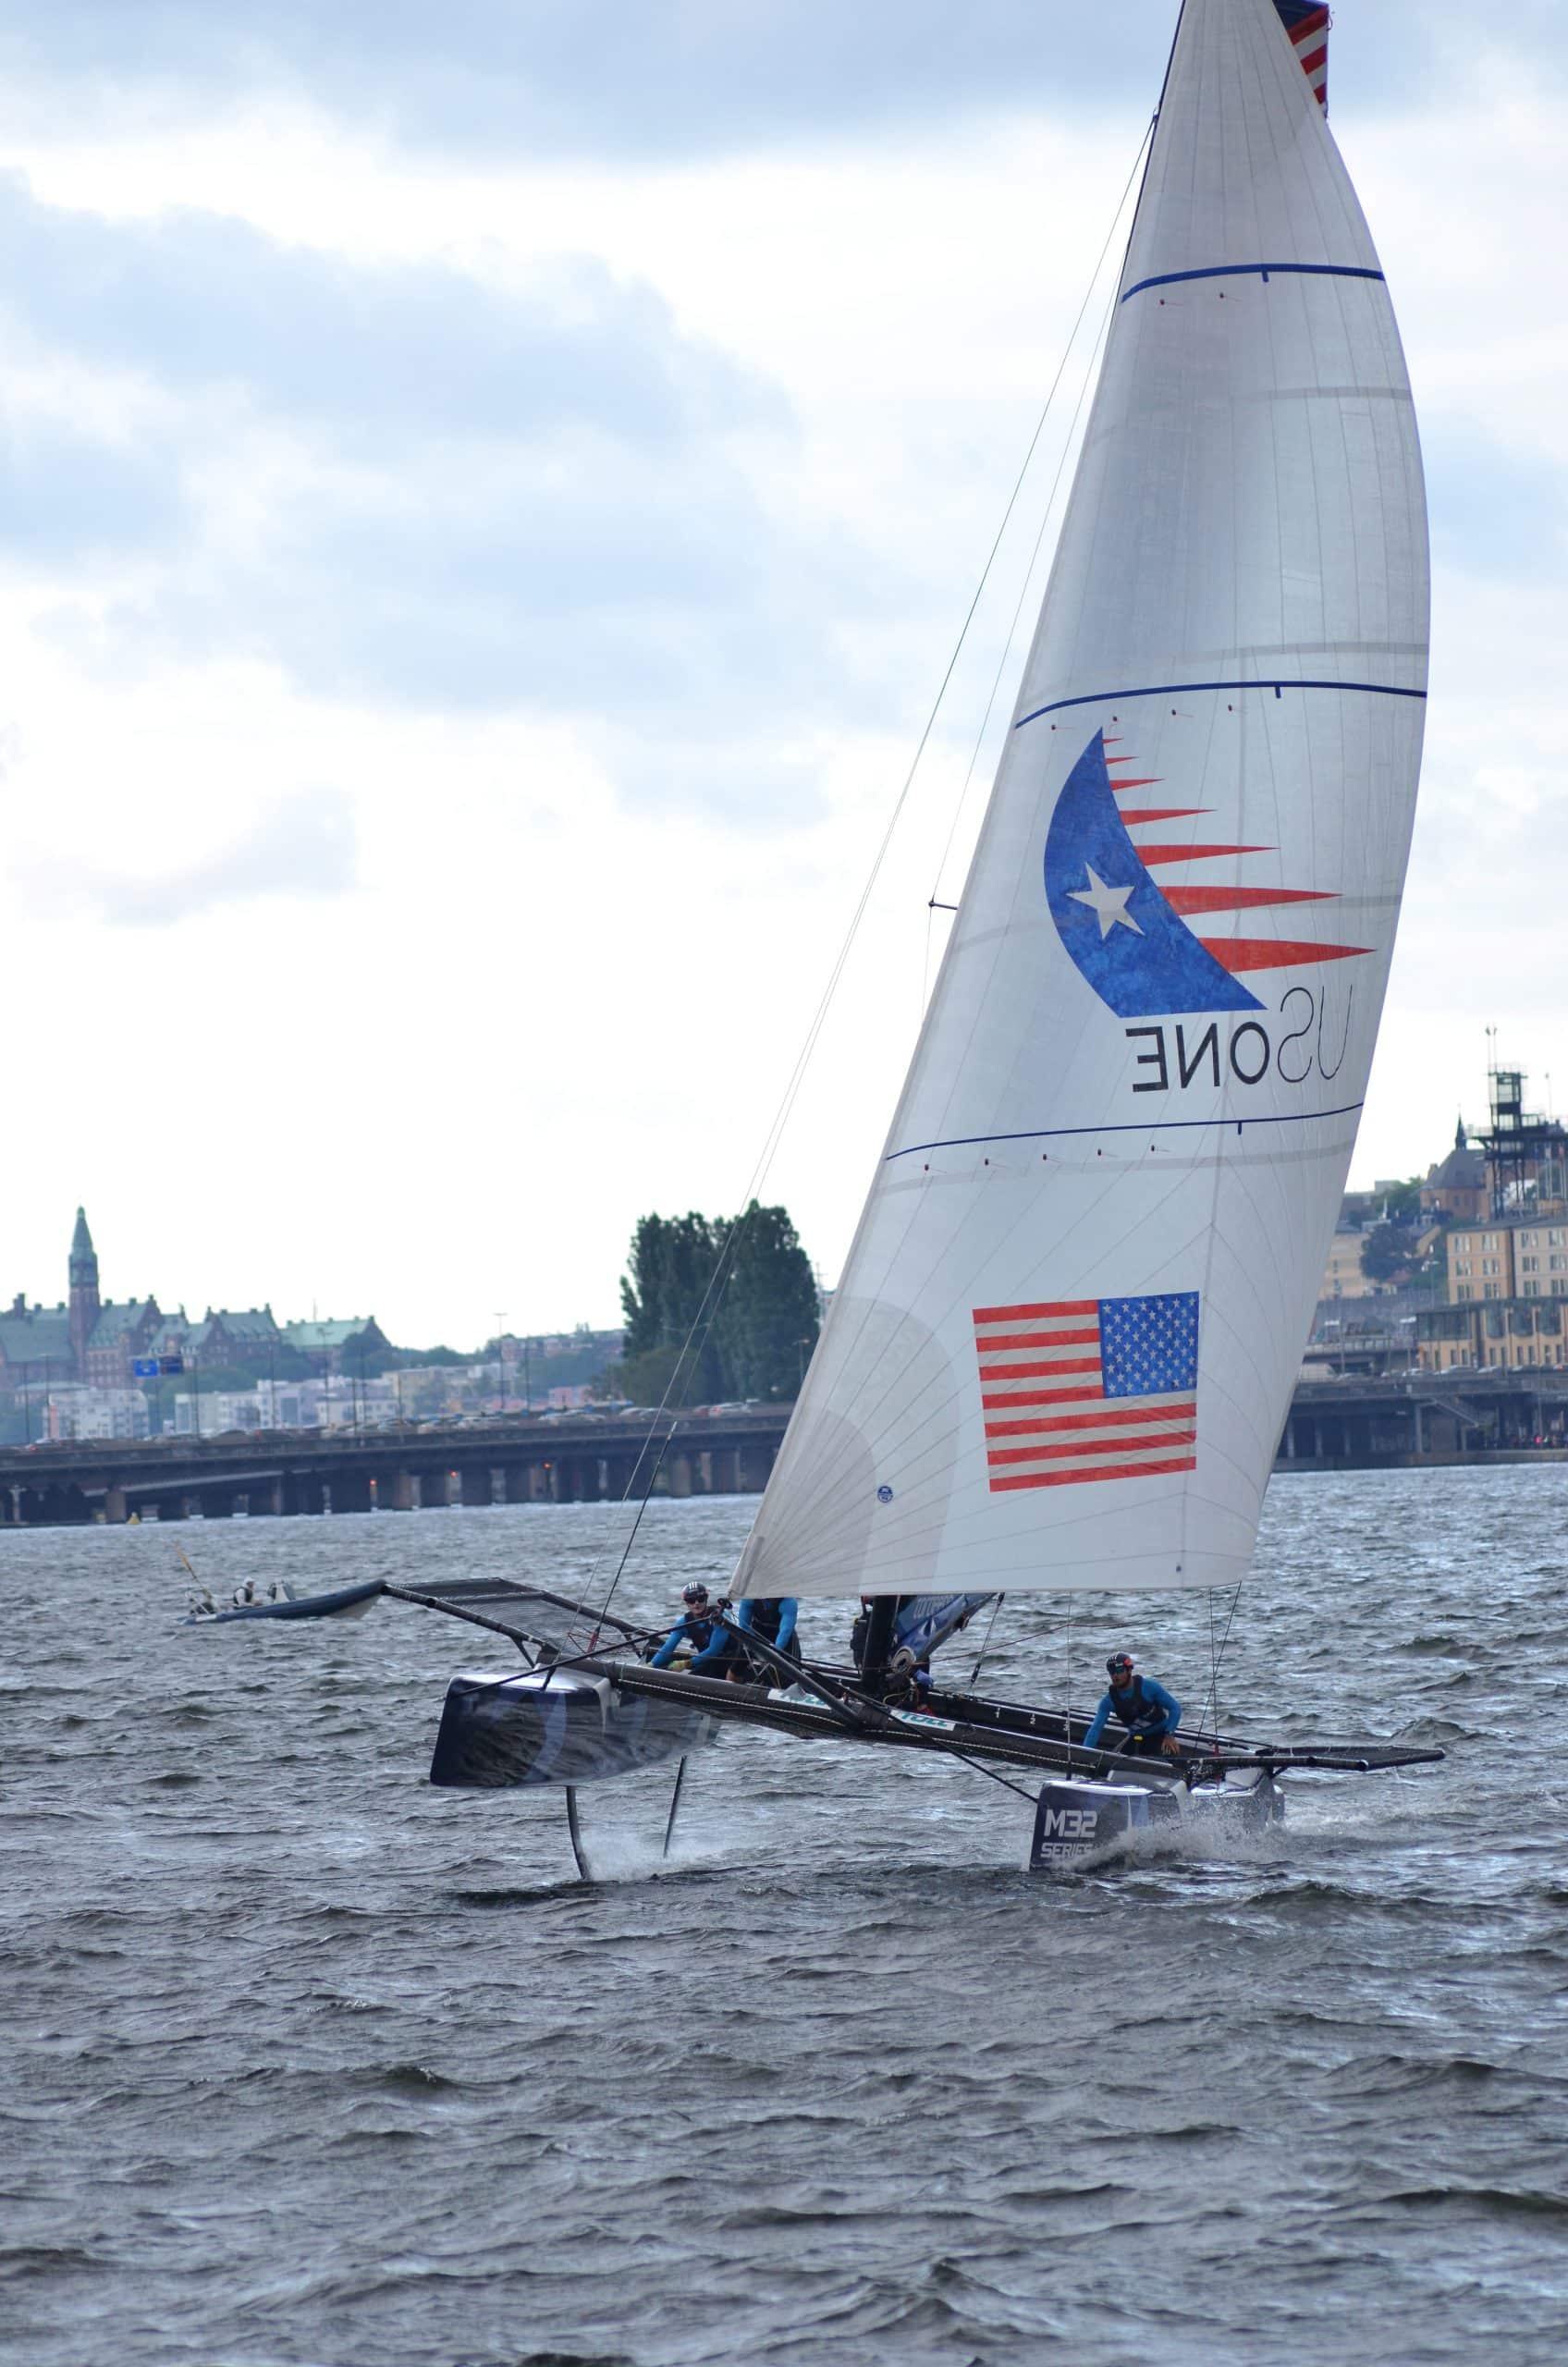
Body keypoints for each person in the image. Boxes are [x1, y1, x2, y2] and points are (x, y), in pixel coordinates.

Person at [1083, 1652, 1183, 1756]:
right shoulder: (1108, 1701)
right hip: (1135, 1738)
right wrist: (1084, 1753)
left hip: (1161, 1735)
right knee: (1114, 1763)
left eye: (1119, 1671)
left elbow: (1175, 1709)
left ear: (1129, 1670)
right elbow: (1095, 1729)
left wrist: (1169, 1734)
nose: (1115, 1676)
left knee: (1171, 1761)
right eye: (1112, 1672)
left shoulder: (1150, 1687)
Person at [649, 1582, 737, 1674]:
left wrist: (687, 1663)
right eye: (691, 1600)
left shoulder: (720, 1616)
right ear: (686, 1602)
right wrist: (652, 1665)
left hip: (732, 1661)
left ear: (706, 1599)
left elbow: (714, 1650)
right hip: (708, 1661)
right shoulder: (683, 1622)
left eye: (700, 1599)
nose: (696, 1603)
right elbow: (668, 1648)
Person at [735, 1595, 799, 1678]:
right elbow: (744, 1625)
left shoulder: (788, 1602)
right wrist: (755, 1646)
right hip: (757, 1632)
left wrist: (775, 1652)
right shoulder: (749, 1598)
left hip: (780, 1634)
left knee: (792, 1670)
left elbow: (785, 1631)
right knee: (737, 1666)